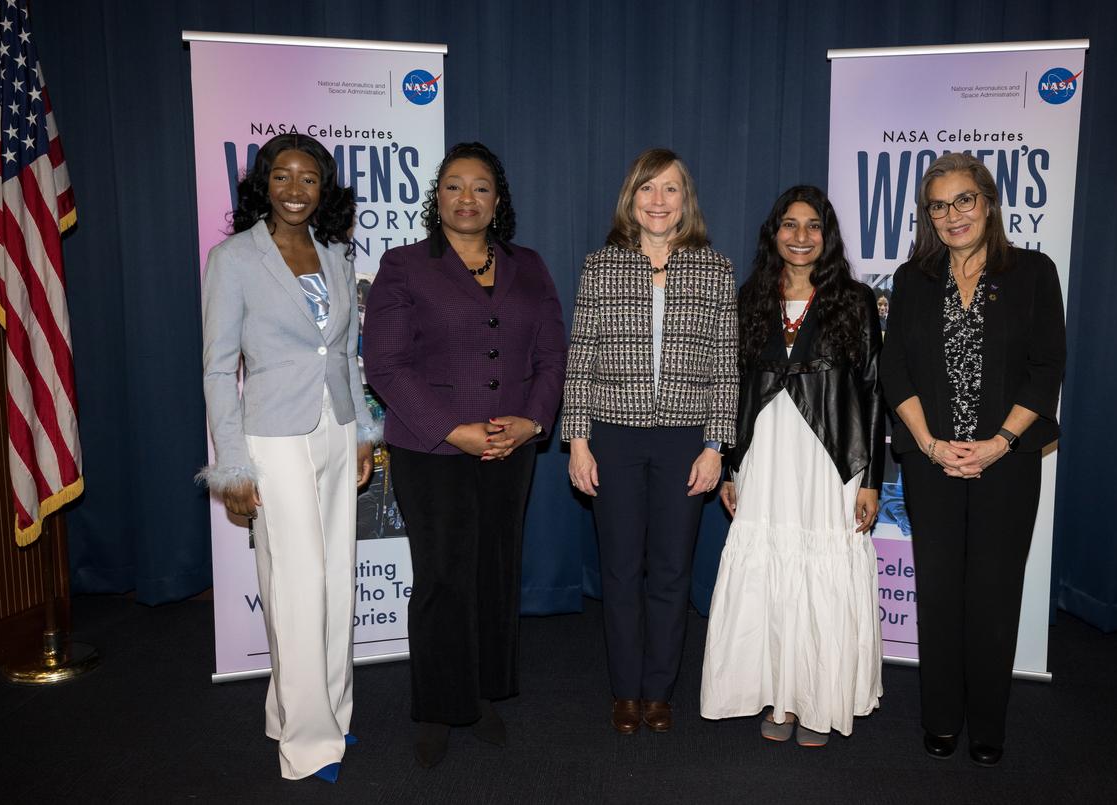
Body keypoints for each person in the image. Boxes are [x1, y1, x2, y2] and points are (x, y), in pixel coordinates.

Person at [361, 142, 566, 768]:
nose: (467, 198)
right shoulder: (403, 266)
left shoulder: (527, 264)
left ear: (497, 201)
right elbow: (386, 365)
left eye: (480, 187)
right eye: (454, 185)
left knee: (494, 570)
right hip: (432, 449)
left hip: (512, 447)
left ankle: (480, 693)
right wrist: (454, 429)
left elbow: (552, 353)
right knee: (443, 576)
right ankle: (437, 707)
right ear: (437, 196)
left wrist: (532, 422)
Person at [198, 133, 378, 783]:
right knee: (296, 586)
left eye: (309, 178)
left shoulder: (335, 254)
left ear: (322, 188)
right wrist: (234, 466)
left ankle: (323, 707)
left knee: (333, 577)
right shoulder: (233, 259)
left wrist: (361, 434)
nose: (295, 189)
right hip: (272, 435)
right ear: (263, 184)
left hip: (334, 428)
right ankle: (307, 744)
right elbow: (220, 371)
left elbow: (345, 356)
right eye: (283, 176)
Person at [879, 152, 1066, 766]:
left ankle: (988, 724)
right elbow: (895, 369)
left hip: (1006, 464)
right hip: (930, 464)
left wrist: (999, 443)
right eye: (939, 205)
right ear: (927, 216)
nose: (953, 214)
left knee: (993, 594)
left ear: (988, 202)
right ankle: (940, 719)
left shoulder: (1033, 273)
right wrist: (931, 444)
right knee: (938, 594)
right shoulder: (913, 280)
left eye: (964, 200)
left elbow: (1045, 370)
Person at [700, 185, 885, 746]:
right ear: (773, 233)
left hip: (830, 460)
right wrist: (732, 467)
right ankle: (779, 699)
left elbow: (875, 391)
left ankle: (816, 701)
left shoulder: (854, 301)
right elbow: (733, 390)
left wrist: (872, 479)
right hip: (767, 454)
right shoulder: (750, 297)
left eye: (813, 226)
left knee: (820, 569)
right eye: (790, 224)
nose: (800, 237)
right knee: (770, 570)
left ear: (826, 237)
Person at [562, 148, 738, 734]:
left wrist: (717, 445)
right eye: (647, 189)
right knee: (618, 570)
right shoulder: (600, 266)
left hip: (686, 441)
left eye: (670, 190)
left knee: (670, 571)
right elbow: (580, 359)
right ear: (630, 199)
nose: (658, 201)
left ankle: (659, 691)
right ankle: (624, 691)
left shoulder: (715, 269)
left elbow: (726, 365)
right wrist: (578, 441)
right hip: (612, 437)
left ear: (686, 201)